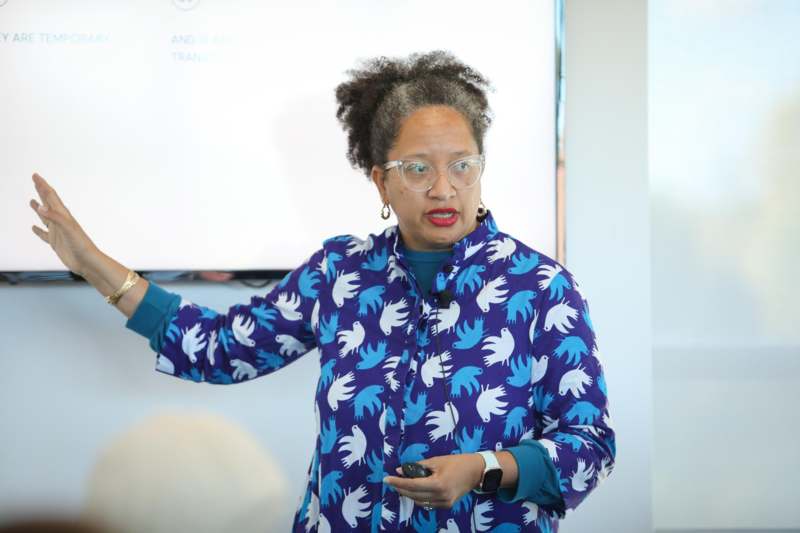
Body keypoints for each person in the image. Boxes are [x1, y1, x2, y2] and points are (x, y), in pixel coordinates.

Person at [29, 50, 615, 532]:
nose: (444, 188)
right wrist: (91, 264)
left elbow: (590, 444)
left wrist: (485, 468)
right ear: (380, 180)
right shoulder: (341, 272)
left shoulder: (541, 288)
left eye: (462, 165)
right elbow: (219, 347)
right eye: (418, 169)